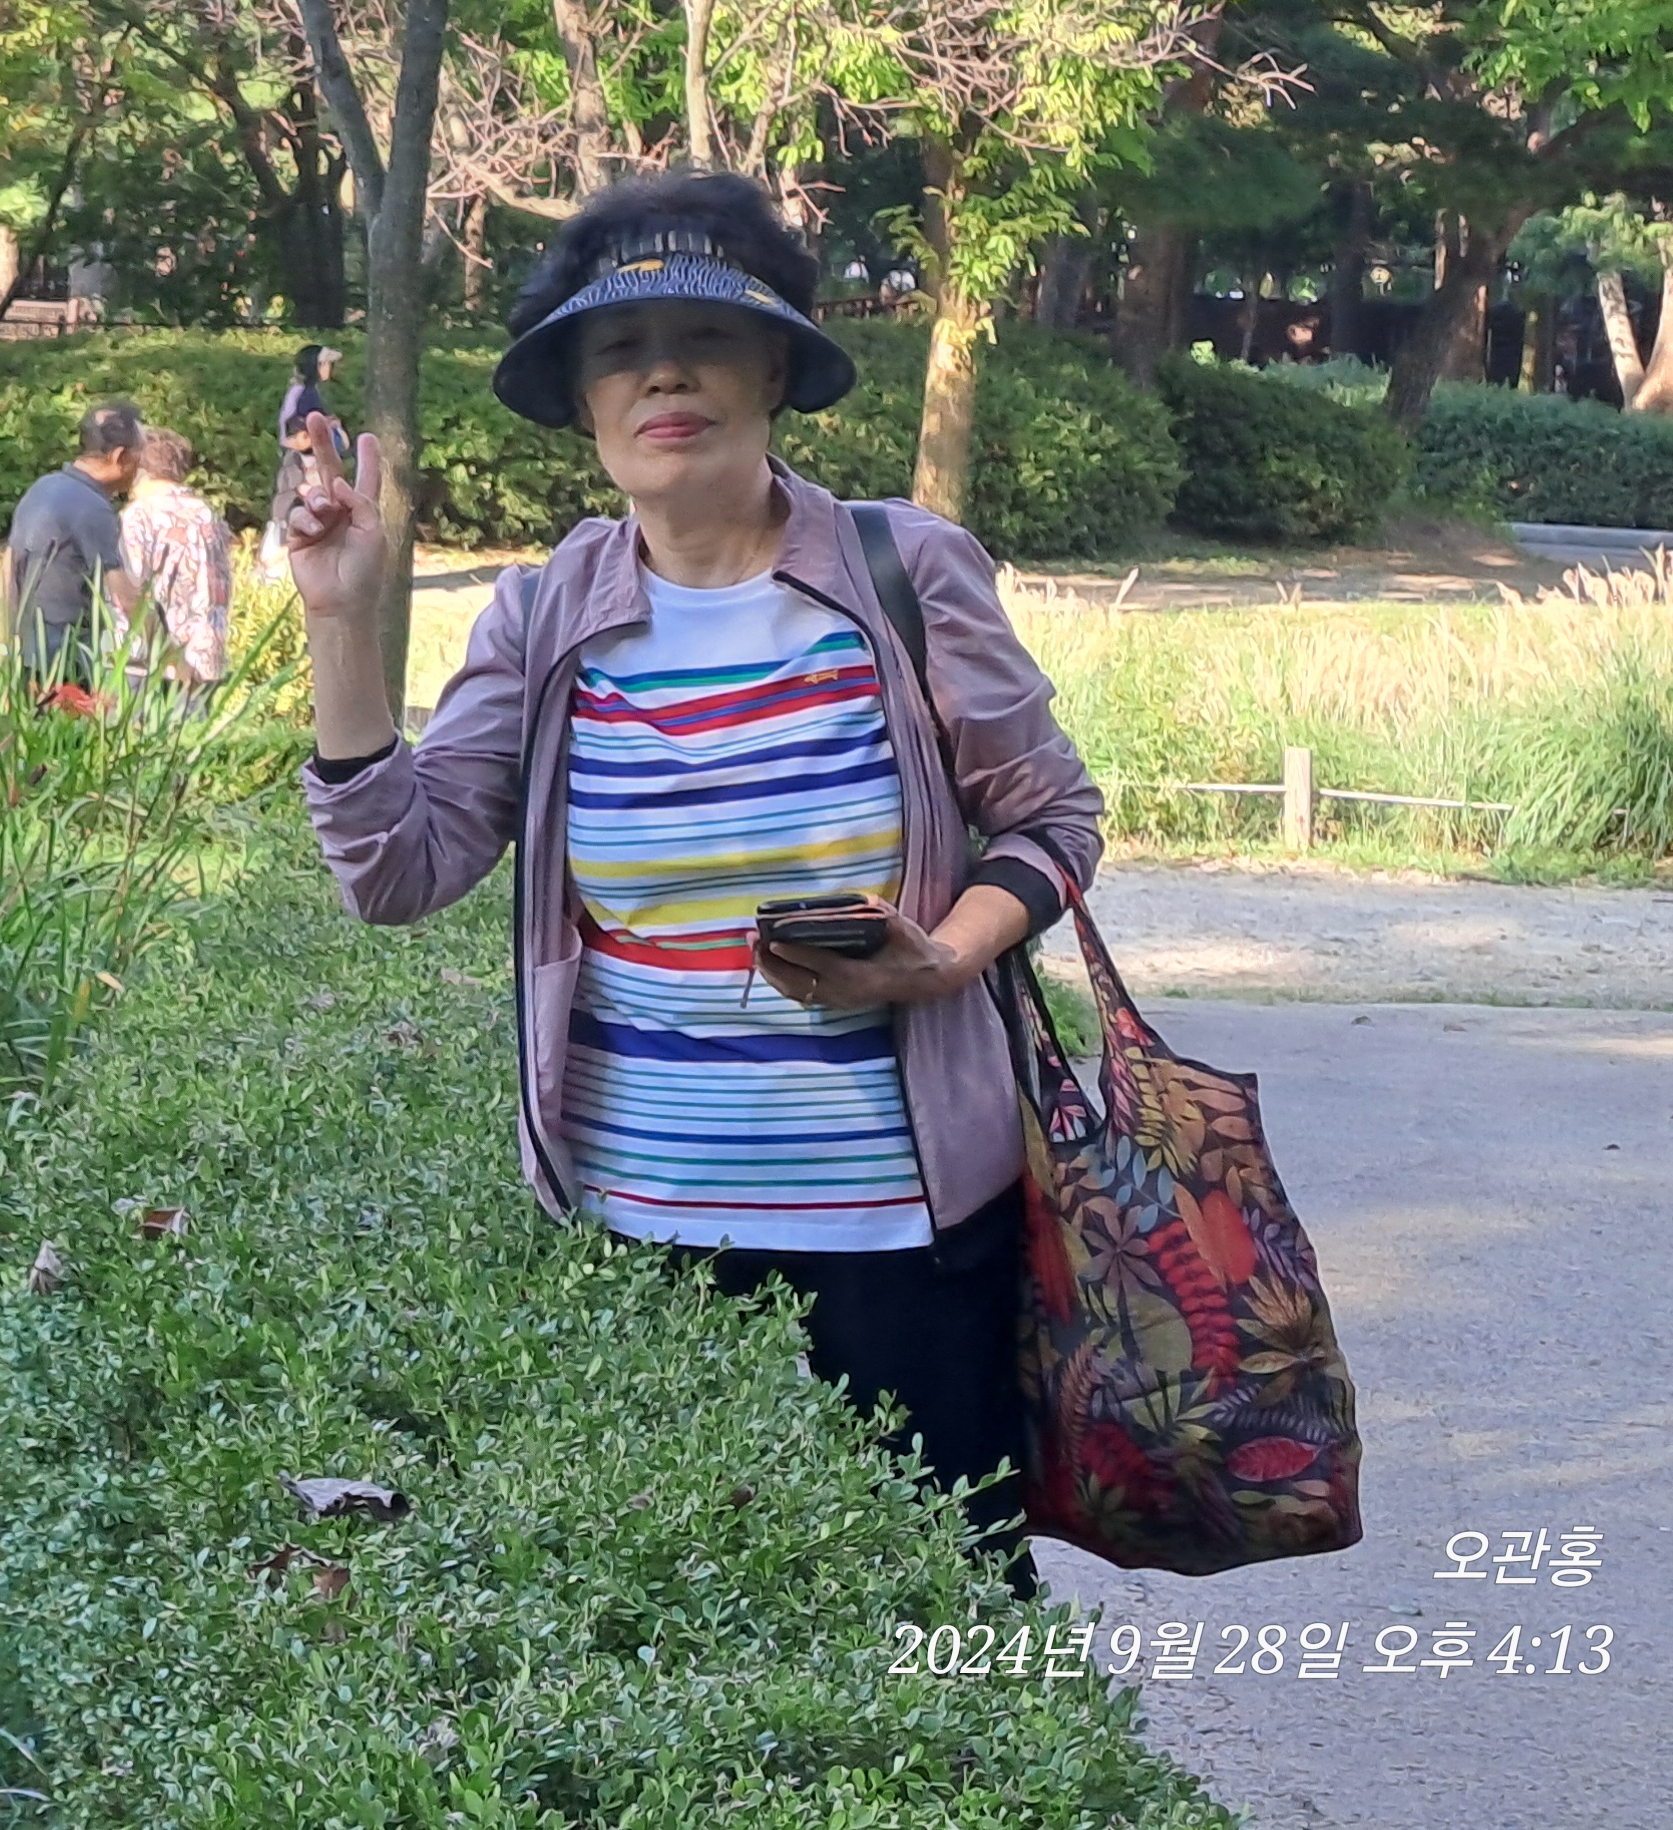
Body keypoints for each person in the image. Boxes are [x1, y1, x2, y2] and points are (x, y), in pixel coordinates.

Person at [275, 169, 1102, 1597]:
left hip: (901, 1237)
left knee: (949, 1614)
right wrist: (341, 621)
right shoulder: (548, 613)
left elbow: (1052, 817)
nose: (663, 372)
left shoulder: (903, 573)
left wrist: (949, 954)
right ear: (582, 401)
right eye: (618, 349)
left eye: (706, 337)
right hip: (636, 1233)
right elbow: (399, 870)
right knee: (678, 1628)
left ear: (774, 369)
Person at [5, 401, 144, 686]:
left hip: (27, 652)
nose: (139, 468)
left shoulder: (41, 488)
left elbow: (8, 566)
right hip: (66, 661)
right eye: (137, 457)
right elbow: (123, 593)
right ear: (119, 457)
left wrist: (6, 642)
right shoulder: (92, 507)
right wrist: (171, 654)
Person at [118, 426, 233, 690]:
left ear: (140, 469)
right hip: (206, 658)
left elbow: (132, 590)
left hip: (156, 661)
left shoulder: (139, 515)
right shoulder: (207, 514)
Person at [270, 343, 339, 550]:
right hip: (303, 459)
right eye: (324, 364)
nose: (328, 368)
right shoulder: (303, 393)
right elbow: (296, 426)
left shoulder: (306, 391)